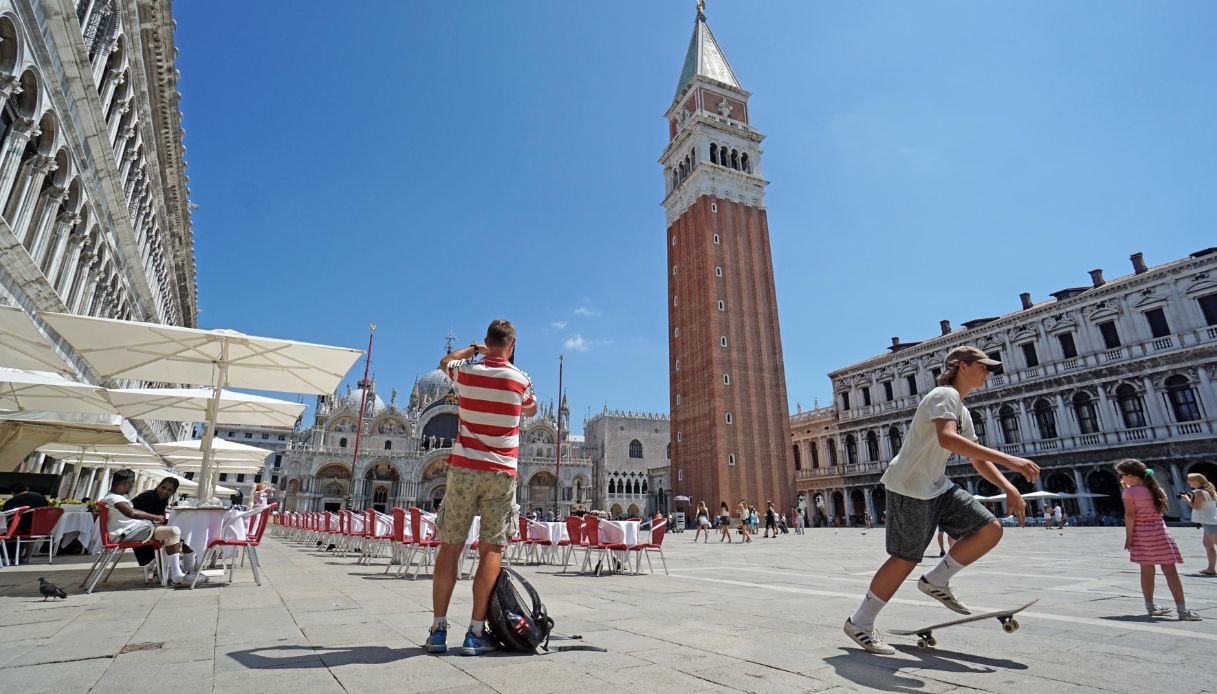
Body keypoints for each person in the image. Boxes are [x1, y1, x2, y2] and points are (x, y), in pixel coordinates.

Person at [844, 345, 1041, 655]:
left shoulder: (961, 408)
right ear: (962, 366)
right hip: (910, 486)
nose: (987, 372)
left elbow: (976, 458)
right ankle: (860, 622)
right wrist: (1011, 461)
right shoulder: (943, 396)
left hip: (936, 486)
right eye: (982, 366)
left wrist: (1008, 487)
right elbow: (947, 439)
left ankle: (936, 580)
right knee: (905, 558)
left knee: (990, 528)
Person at [426, 320, 538, 656]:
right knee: (491, 549)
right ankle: (475, 634)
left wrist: (474, 351)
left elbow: (444, 363)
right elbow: (530, 409)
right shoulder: (521, 379)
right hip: (501, 472)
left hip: (463, 468)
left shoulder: (466, 371)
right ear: (513, 345)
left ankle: (438, 629)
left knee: (450, 546)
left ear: (488, 342)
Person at [1117, 459, 1201, 620]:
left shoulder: (1129, 493)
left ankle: (1150, 606)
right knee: (1171, 571)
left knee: (1147, 571)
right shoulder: (1158, 490)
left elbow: (1130, 515)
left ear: (1131, 476)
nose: (1120, 478)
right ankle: (1182, 610)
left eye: (1122, 475)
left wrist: (1129, 537)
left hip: (1142, 533)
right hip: (1161, 532)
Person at [100, 469, 201, 585]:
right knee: (174, 532)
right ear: (126, 484)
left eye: (169, 490)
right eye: (132, 484)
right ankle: (176, 573)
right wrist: (155, 517)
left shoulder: (116, 497)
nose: (132, 486)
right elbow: (131, 513)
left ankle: (172, 571)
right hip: (128, 534)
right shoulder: (115, 498)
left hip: (133, 530)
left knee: (175, 533)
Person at [130, 477, 189, 569]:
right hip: (136, 531)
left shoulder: (162, 500)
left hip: (145, 529)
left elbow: (157, 519)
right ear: (158, 486)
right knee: (173, 534)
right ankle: (173, 569)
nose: (165, 491)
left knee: (178, 535)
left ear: (173, 492)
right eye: (163, 488)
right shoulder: (148, 497)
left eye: (169, 490)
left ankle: (167, 568)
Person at [1179, 472, 1217, 576]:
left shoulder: (1199, 492)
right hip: (1210, 520)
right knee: (1208, 544)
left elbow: (1196, 507)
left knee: (1211, 544)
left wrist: (1186, 499)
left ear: (1196, 481)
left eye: (1189, 480)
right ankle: (1211, 568)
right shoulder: (1208, 491)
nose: (1187, 482)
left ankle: (1211, 568)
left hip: (1210, 522)